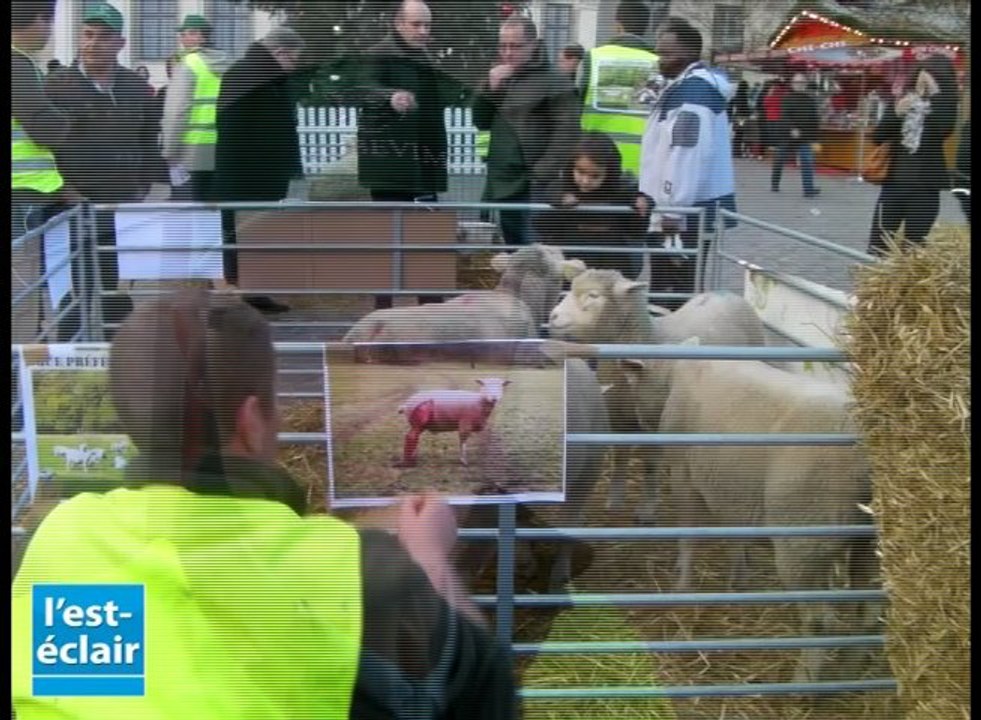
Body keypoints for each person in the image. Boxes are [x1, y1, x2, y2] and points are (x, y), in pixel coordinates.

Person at [11, 288, 518, 719]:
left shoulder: (57, 543)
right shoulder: (360, 575)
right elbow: (488, 699)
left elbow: (120, 673)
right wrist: (431, 562)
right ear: (252, 422)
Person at [44, 2, 168, 340]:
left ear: (120, 44)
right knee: (72, 286)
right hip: (71, 204)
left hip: (122, 203)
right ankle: (69, 357)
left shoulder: (134, 87)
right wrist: (65, 190)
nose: (93, 43)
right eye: (87, 34)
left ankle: (119, 353)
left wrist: (144, 186)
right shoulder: (56, 86)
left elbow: (147, 140)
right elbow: (42, 148)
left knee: (117, 285)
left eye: (103, 36)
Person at [354, 0, 467, 309]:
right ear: (398, 23)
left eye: (427, 25)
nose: (423, 31)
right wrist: (388, 97)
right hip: (391, 165)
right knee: (388, 241)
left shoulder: (427, 56)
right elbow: (362, 88)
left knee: (428, 239)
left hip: (423, 163)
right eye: (416, 24)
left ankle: (430, 308)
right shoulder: (378, 53)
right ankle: (383, 312)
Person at [636, 16, 737, 311]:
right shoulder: (683, 89)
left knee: (673, 290)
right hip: (680, 208)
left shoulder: (692, 98)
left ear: (687, 55)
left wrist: (673, 210)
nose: (659, 60)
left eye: (666, 53)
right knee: (670, 287)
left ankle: (673, 349)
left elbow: (685, 156)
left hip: (682, 213)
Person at [213, 27, 307, 315]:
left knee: (259, 234)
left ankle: (254, 293)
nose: (295, 65)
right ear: (280, 52)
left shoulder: (271, 78)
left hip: (262, 171)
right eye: (294, 59)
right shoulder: (246, 74)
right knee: (238, 233)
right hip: (246, 172)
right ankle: (235, 297)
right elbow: (233, 127)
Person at [472, 15, 581, 246]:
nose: (508, 53)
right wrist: (490, 89)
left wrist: (538, 177)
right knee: (511, 253)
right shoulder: (501, 77)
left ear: (534, 44)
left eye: (516, 46)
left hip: (533, 186)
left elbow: (567, 136)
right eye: (503, 46)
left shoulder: (556, 83)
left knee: (535, 253)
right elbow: (480, 121)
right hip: (501, 182)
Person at [11, 0, 82, 343]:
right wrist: (69, 118)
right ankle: (19, 381)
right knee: (23, 290)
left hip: (27, 192)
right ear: (40, 19)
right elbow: (45, 129)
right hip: (20, 195)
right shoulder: (17, 63)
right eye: (49, 20)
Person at [867, 54, 959, 255]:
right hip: (893, 186)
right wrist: (896, 114)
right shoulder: (902, 101)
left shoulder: (946, 106)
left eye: (931, 78)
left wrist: (934, 93)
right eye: (921, 75)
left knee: (914, 248)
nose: (923, 81)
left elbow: (942, 130)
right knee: (879, 244)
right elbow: (878, 137)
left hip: (924, 189)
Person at [534, 131, 647, 277]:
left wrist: (641, 203)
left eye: (595, 175)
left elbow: (636, 232)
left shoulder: (622, 192)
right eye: (580, 172)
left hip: (610, 270)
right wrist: (558, 200)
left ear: (609, 172)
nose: (586, 181)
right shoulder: (560, 188)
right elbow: (541, 226)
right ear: (571, 166)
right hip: (568, 269)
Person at [579, 1, 658, 178]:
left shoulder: (594, 58)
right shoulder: (659, 63)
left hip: (594, 167)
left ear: (617, 25)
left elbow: (573, 108)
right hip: (644, 167)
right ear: (645, 28)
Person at [162, 14, 232, 203]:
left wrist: (169, 151)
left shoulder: (189, 64)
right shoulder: (228, 64)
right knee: (216, 211)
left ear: (199, 36)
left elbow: (176, 112)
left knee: (188, 213)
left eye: (185, 34)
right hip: (223, 149)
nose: (182, 39)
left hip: (191, 151)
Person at [771, 72, 821, 197]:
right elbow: (785, 116)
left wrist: (815, 140)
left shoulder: (810, 100)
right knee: (780, 159)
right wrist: (792, 128)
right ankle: (775, 183)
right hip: (787, 135)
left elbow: (815, 120)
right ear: (792, 84)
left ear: (805, 84)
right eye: (796, 82)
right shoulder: (787, 98)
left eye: (801, 82)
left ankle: (808, 190)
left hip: (805, 137)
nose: (799, 85)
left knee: (807, 162)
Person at [729, 79, 751, 158]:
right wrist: (749, 113)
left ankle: (735, 151)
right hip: (741, 117)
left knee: (737, 134)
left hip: (737, 116)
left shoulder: (737, 94)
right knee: (740, 134)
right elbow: (744, 107)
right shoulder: (743, 95)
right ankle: (737, 152)